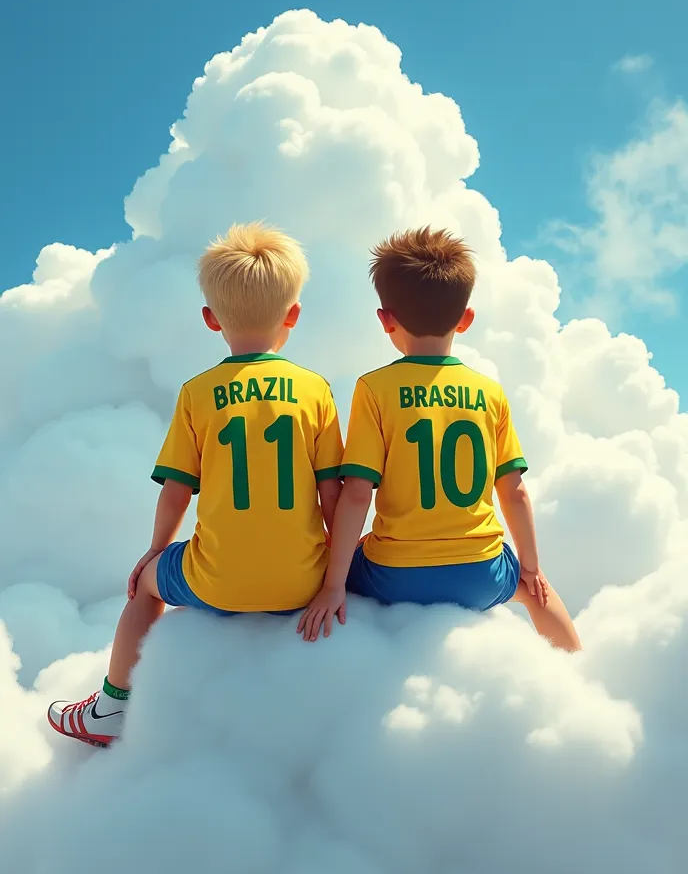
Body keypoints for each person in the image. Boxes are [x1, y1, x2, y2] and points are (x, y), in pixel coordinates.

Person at [48, 223, 344, 746]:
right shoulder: (314, 389)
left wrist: (154, 553)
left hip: (215, 581)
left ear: (211, 320)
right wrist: (329, 574)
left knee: (145, 585)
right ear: (293, 315)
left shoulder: (197, 393)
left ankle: (111, 708)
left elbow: (175, 491)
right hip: (302, 584)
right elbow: (333, 498)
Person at [298, 226, 581, 652]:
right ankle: (576, 664)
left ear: (385, 319)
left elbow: (357, 494)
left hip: (396, 575)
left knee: (337, 559)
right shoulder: (489, 391)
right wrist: (530, 567)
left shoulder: (374, 389)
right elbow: (515, 492)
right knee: (538, 593)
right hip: (480, 572)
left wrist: (333, 585)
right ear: (465, 319)